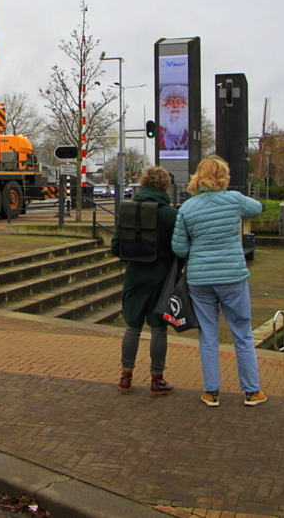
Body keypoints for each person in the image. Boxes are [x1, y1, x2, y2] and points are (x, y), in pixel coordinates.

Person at [171, 156, 265, 407]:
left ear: (197, 178)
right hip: (232, 276)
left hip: (200, 279)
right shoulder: (234, 200)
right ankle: (252, 391)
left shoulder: (187, 208)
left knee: (208, 334)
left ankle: (211, 391)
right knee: (242, 333)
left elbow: (179, 249)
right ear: (223, 176)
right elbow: (257, 208)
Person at [110, 166, 178, 397]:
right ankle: (156, 380)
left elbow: (115, 247)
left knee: (132, 326)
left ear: (144, 183)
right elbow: (178, 248)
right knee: (158, 328)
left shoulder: (127, 210)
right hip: (161, 275)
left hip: (134, 275)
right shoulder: (170, 214)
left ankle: (125, 377)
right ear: (165, 186)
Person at [158, 85, 189, 151]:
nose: (175, 106)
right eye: (171, 102)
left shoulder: (190, 131)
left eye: (179, 102)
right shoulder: (159, 132)